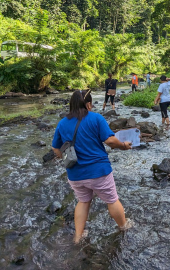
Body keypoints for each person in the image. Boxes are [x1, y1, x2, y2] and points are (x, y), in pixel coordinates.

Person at [52, 89, 133, 244]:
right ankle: (123, 226)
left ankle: (78, 236)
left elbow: (56, 149)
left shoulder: (62, 123)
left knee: (83, 201)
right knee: (112, 200)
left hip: (75, 174)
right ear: (88, 104)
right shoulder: (96, 118)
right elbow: (110, 141)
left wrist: (65, 157)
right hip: (98, 172)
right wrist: (123, 145)